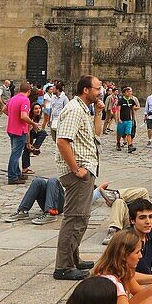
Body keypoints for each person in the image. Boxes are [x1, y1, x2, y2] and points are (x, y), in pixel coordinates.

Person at [53, 75, 104, 282]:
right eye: (97, 88)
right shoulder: (74, 110)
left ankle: (73, 258)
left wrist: (99, 113)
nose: (100, 91)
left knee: (81, 217)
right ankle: (63, 267)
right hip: (78, 173)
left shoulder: (84, 109)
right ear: (86, 90)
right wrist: (76, 169)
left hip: (86, 169)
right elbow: (63, 141)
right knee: (75, 218)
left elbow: (96, 135)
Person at [5, 81, 32, 186]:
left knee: (15, 152)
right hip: (19, 131)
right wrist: (33, 123)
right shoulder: (25, 100)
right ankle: (12, 176)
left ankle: (17, 173)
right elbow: (24, 116)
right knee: (16, 154)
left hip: (11, 129)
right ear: (28, 91)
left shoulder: (13, 98)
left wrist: (12, 117)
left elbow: (4, 109)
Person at [116, 85, 139, 154]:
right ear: (124, 93)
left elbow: (133, 110)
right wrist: (118, 118)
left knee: (128, 133)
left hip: (129, 119)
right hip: (122, 120)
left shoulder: (132, 101)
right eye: (127, 92)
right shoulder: (121, 101)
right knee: (119, 133)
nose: (129, 93)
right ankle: (118, 143)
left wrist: (133, 119)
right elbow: (118, 110)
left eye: (129, 92)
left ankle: (130, 146)